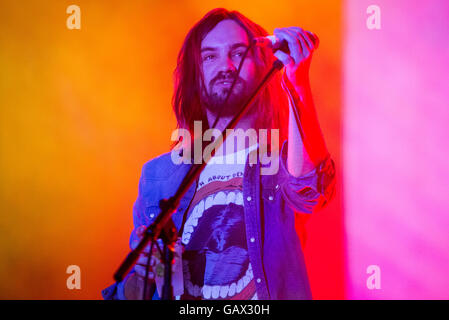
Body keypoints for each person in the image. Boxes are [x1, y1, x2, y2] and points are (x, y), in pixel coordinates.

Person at [102, 8, 336, 300]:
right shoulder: (159, 175)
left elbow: (310, 191)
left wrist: (297, 82)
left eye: (239, 53)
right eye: (210, 56)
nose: (226, 65)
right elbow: (132, 296)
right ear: (195, 74)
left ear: (263, 64)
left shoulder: (283, 162)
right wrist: (142, 273)